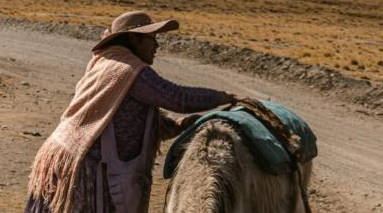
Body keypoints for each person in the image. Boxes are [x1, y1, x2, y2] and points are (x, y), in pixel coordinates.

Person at [25, 11, 237, 213]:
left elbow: (128, 119)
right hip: (86, 166)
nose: (156, 45)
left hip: (67, 154)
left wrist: (179, 125)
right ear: (134, 40)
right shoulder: (131, 71)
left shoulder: (106, 63)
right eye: (151, 38)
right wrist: (224, 97)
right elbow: (177, 97)